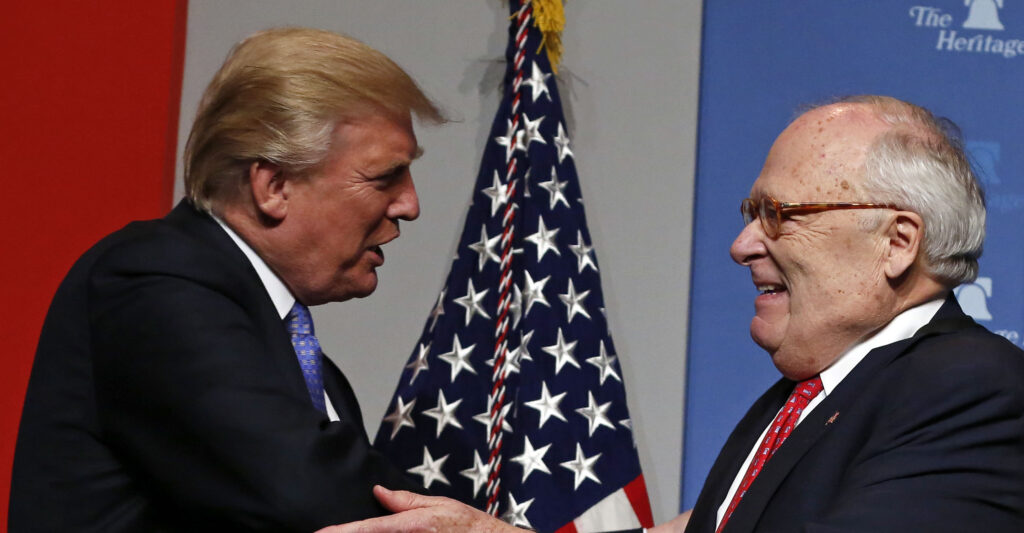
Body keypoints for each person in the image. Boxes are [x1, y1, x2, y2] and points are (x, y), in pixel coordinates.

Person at [323, 96, 1024, 532]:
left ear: (897, 243)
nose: (743, 243)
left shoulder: (976, 389)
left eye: (779, 214)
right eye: (752, 214)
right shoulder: (810, 396)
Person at [9, 27, 443, 531]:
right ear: (274, 186)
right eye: (384, 176)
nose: (409, 205)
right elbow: (305, 495)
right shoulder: (153, 279)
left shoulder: (300, 359)